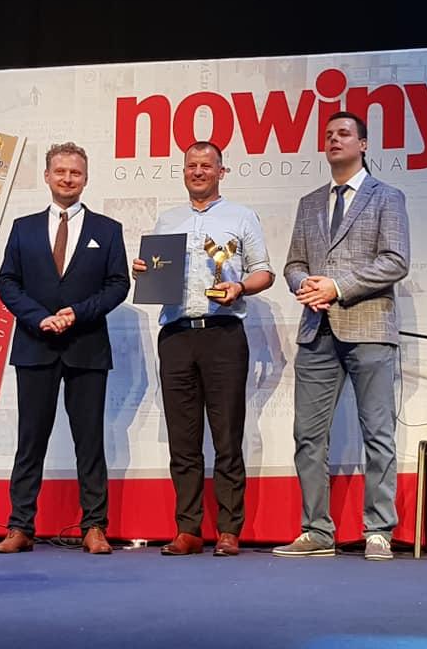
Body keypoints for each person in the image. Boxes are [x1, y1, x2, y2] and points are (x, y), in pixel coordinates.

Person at [274, 111, 409, 561]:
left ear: (363, 144)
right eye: (329, 134)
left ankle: (379, 529)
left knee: (378, 433)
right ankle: (316, 530)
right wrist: (305, 286)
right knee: (308, 435)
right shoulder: (310, 202)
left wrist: (337, 286)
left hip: (369, 327)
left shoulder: (387, 197)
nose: (334, 139)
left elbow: (395, 260)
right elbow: (294, 263)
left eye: (344, 133)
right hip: (317, 330)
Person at [131, 141, 274, 557]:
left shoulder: (242, 216)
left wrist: (240, 286)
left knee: (227, 436)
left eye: (206, 166)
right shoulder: (167, 220)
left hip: (223, 333)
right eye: (191, 165)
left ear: (220, 172)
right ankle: (188, 529)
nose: (198, 171)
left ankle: (229, 529)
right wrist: (143, 272)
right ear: (184, 171)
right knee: (183, 439)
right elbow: (157, 273)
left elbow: (264, 272)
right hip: (176, 334)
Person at [0, 142, 129, 555]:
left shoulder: (108, 230)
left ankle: (94, 526)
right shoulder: (23, 228)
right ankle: (20, 526)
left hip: (86, 346)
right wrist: (39, 317)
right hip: (35, 344)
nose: (68, 178)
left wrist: (77, 313)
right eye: (60, 171)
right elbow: (7, 282)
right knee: (30, 440)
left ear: (85, 178)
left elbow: (118, 284)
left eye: (75, 173)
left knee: (89, 441)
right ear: (47, 176)